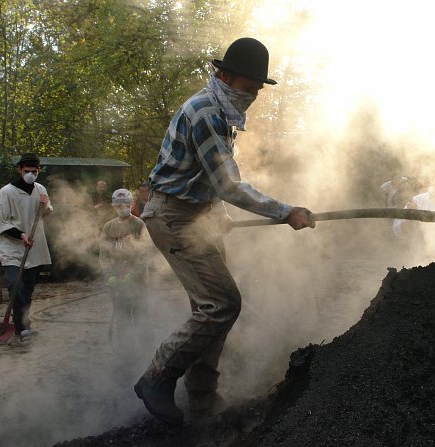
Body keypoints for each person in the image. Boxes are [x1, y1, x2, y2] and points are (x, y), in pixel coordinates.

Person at [134, 37, 315, 426]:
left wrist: (215, 212)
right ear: (226, 75)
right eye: (249, 86)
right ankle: (156, 378)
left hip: (197, 215)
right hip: (173, 218)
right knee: (222, 304)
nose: (253, 95)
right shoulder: (205, 113)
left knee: (210, 311)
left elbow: (205, 179)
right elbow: (229, 184)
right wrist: (286, 212)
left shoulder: (222, 112)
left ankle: (202, 401)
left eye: (258, 89)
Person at [0, 153, 53, 341]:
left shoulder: (40, 189)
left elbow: (46, 214)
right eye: (27, 171)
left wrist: (45, 205)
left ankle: (23, 327)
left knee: (28, 289)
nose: (30, 175)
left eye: (34, 171)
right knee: (15, 284)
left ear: (38, 170)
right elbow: (2, 222)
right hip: (12, 247)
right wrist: (21, 234)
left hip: (33, 247)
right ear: (19, 169)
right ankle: (20, 326)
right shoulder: (6, 192)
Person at [99, 188, 152, 354]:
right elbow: (104, 255)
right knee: (122, 319)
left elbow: (144, 254)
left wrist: (132, 275)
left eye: (126, 204)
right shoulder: (108, 227)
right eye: (119, 205)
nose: (123, 208)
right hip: (116, 282)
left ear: (131, 204)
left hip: (138, 282)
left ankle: (146, 352)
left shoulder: (139, 225)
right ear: (114, 206)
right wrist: (110, 276)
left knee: (140, 317)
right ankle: (126, 353)